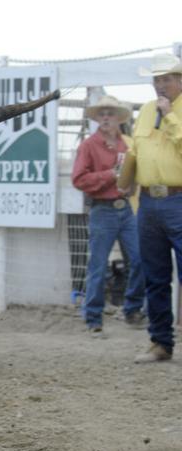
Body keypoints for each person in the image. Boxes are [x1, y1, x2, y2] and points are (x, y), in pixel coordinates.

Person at [117, 54, 182, 363]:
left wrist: (169, 117)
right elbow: (135, 150)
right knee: (154, 276)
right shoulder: (145, 111)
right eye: (156, 80)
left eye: (166, 79)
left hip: (179, 198)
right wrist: (125, 178)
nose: (160, 85)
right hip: (148, 203)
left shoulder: (170, 112)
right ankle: (161, 343)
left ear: (180, 80)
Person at [70, 95, 146, 337]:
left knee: (140, 259)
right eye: (102, 114)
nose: (105, 117)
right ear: (97, 118)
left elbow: (135, 173)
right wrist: (111, 175)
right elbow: (78, 179)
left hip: (125, 209)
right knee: (98, 266)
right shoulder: (89, 146)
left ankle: (131, 308)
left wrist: (129, 183)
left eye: (110, 113)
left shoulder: (128, 144)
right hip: (102, 209)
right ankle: (93, 317)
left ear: (117, 119)